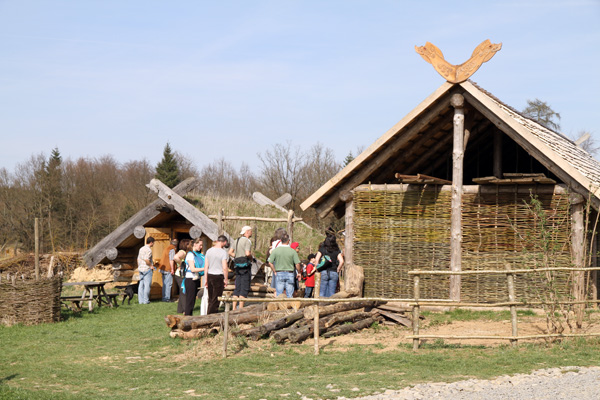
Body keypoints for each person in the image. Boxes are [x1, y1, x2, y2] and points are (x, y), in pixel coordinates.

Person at [268, 233, 301, 298]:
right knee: (289, 294)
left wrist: (274, 271)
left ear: (281, 240)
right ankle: (289, 303)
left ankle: (280, 303)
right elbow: (297, 264)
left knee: (279, 294)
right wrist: (299, 272)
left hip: (279, 272)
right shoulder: (293, 251)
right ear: (288, 241)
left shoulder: (276, 250)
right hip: (290, 273)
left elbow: (270, 262)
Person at [314, 231, 344, 297]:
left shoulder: (322, 249)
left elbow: (316, 260)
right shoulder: (337, 250)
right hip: (334, 272)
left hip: (324, 272)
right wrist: (338, 269)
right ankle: (330, 303)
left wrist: (317, 268)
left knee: (322, 292)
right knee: (332, 293)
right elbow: (341, 261)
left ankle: (321, 303)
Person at [229, 226, 253, 310]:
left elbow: (230, 252)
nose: (251, 233)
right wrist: (251, 258)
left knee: (238, 286)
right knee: (244, 286)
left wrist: (236, 256)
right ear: (247, 232)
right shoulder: (247, 241)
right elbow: (247, 253)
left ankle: (234, 308)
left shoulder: (236, 240)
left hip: (237, 265)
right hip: (245, 266)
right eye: (251, 231)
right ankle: (241, 308)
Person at [205, 235, 229, 314]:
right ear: (224, 242)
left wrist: (206, 279)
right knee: (216, 299)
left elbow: (206, 266)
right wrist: (226, 279)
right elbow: (225, 267)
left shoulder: (209, 251)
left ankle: (208, 315)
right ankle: (211, 316)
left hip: (210, 275)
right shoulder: (223, 252)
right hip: (218, 276)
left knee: (210, 298)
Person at [182, 238, 205, 316]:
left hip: (195, 279)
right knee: (190, 301)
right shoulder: (190, 255)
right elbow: (193, 269)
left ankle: (189, 317)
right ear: (195, 244)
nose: (201, 247)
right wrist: (205, 268)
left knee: (192, 301)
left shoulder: (197, 254)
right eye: (200, 245)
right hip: (190, 279)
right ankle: (187, 318)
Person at [173, 239, 191, 313]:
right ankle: (185, 310)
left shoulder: (185, 252)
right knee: (184, 292)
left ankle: (180, 310)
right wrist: (182, 264)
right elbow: (175, 257)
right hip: (180, 274)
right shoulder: (183, 252)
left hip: (180, 274)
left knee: (182, 292)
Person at [136, 236, 155, 304]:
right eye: (153, 243)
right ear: (151, 242)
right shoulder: (149, 250)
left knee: (141, 285)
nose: (153, 244)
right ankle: (146, 300)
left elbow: (138, 259)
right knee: (147, 285)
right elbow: (147, 259)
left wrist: (139, 266)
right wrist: (151, 266)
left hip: (141, 269)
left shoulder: (141, 248)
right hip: (147, 269)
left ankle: (140, 301)